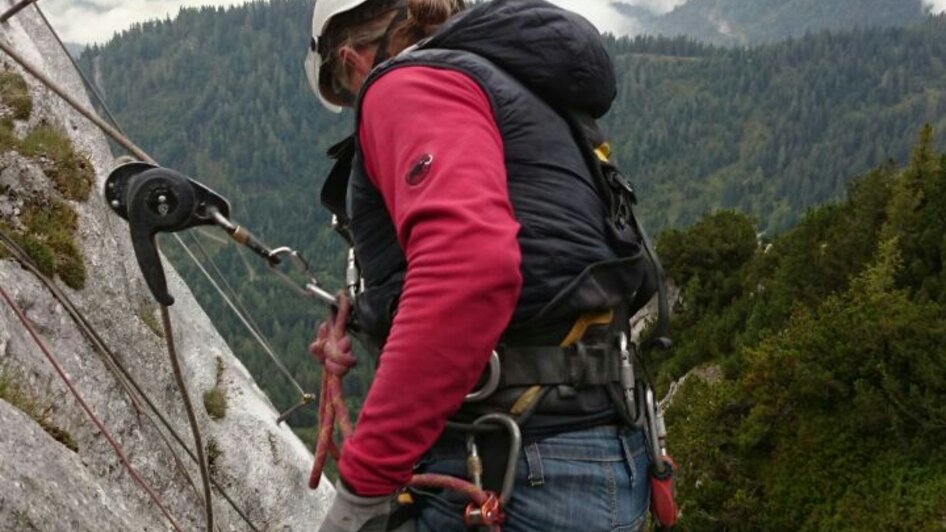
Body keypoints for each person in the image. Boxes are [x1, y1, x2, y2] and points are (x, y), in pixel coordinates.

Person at [305, 0, 657, 530]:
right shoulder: (504, 81)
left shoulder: (404, 83)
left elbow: (468, 266)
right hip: (594, 449)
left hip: (517, 467)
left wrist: (363, 485)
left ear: (351, 60)